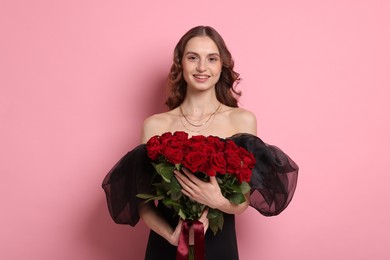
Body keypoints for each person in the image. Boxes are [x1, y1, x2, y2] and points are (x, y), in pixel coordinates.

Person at [102, 25, 298, 260]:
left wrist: (218, 201)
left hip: (220, 245)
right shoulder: (155, 125)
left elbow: (243, 201)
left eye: (211, 58)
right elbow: (143, 203)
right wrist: (172, 236)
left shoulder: (242, 121)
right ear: (180, 64)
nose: (202, 67)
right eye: (193, 57)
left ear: (221, 65)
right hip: (166, 246)